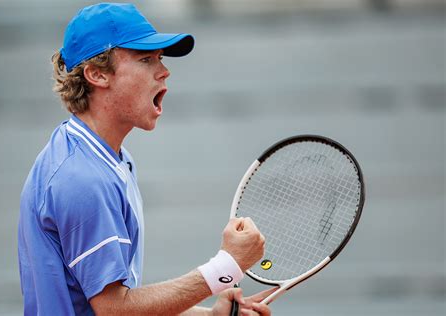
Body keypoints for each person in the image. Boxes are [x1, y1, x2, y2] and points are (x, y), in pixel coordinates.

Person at [18, 3, 274, 316]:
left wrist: (209, 315)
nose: (163, 70)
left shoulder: (106, 159)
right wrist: (225, 267)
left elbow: (119, 300)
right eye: (145, 59)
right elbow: (114, 309)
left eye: (160, 58)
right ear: (97, 74)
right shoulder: (81, 178)